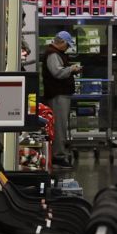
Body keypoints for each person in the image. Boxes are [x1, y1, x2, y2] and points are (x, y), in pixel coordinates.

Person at [40, 30, 81, 170]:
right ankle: (58, 156)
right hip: (57, 95)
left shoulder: (56, 53)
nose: (68, 48)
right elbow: (57, 72)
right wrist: (71, 69)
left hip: (60, 94)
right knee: (59, 126)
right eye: (67, 45)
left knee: (60, 125)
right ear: (61, 42)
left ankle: (59, 153)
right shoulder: (52, 54)